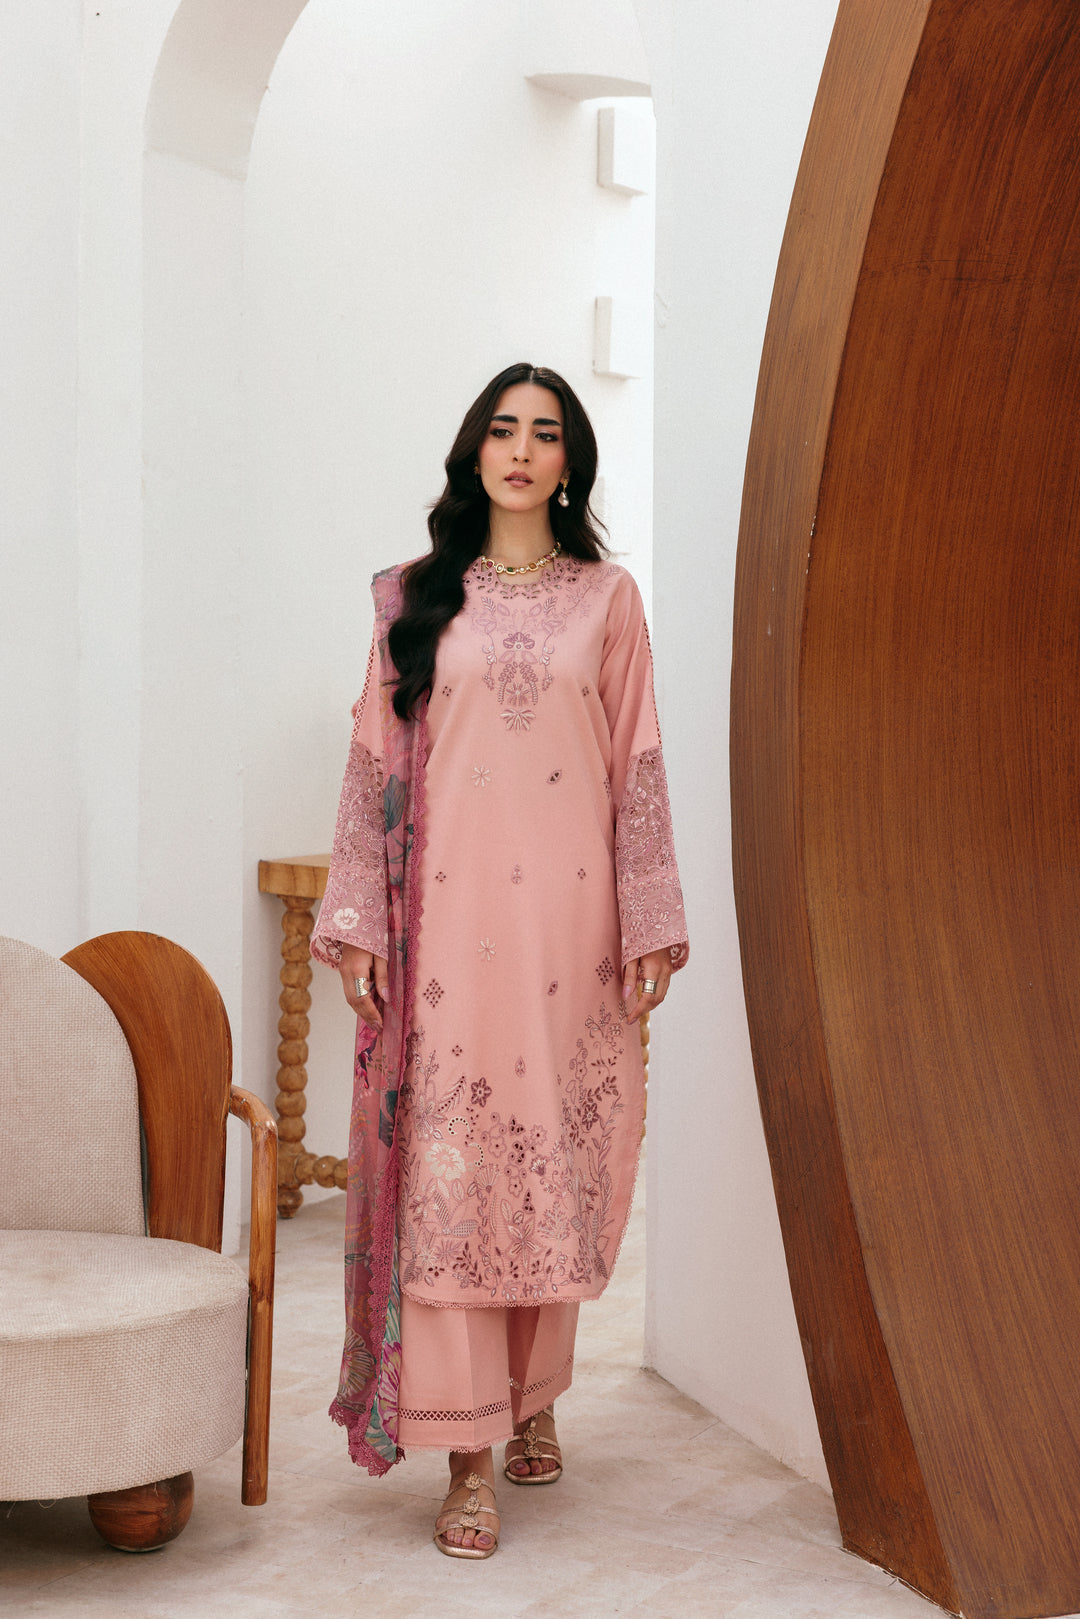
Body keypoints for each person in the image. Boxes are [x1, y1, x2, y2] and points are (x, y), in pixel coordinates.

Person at [311, 361, 688, 1559]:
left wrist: (649, 916)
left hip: (569, 936)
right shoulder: (418, 597)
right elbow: (372, 763)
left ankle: (533, 1394)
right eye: (503, 429)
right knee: (456, 1172)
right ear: (474, 451)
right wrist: (358, 917)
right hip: (446, 930)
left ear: (570, 462)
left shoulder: (608, 599)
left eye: (546, 433)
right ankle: (468, 1452)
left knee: (549, 1165)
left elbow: (637, 760)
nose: (522, 450)